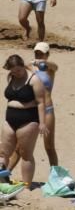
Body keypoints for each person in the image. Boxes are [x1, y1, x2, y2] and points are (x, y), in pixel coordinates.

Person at [0, 54, 48, 185]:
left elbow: (41, 103)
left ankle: (27, 186)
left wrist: (42, 123)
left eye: (18, 70)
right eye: (13, 71)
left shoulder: (34, 80)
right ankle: (2, 180)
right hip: (9, 119)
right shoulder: (11, 77)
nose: (17, 73)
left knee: (25, 154)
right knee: (3, 153)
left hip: (28, 121)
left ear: (22, 66)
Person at [9, 42, 58, 169]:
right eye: (36, 53)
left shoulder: (50, 69)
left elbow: (55, 66)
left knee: (49, 146)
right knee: (20, 147)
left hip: (47, 110)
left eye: (41, 53)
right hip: (32, 111)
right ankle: (5, 173)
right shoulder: (29, 68)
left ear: (47, 54)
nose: (38, 55)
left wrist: (42, 63)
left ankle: (55, 177)